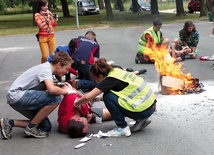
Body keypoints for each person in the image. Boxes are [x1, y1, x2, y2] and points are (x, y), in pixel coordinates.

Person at [74, 58, 157, 137]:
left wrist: (76, 103)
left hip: (143, 110)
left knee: (107, 96)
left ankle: (122, 128)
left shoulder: (110, 79)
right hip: (151, 106)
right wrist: (98, 99)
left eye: (95, 79)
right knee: (109, 95)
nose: (96, 82)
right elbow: (121, 94)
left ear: (100, 76)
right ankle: (141, 120)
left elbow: (86, 97)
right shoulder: (117, 71)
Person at [0, 52, 73, 139]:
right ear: (59, 64)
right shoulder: (46, 70)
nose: (67, 72)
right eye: (66, 68)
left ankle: (9, 123)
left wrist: (58, 86)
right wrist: (67, 92)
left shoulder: (46, 69)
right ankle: (31, 128)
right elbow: (52, 89)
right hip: (17, 95)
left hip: (17, 98)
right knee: (55, 98)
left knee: (45, 127)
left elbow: (49, 87)